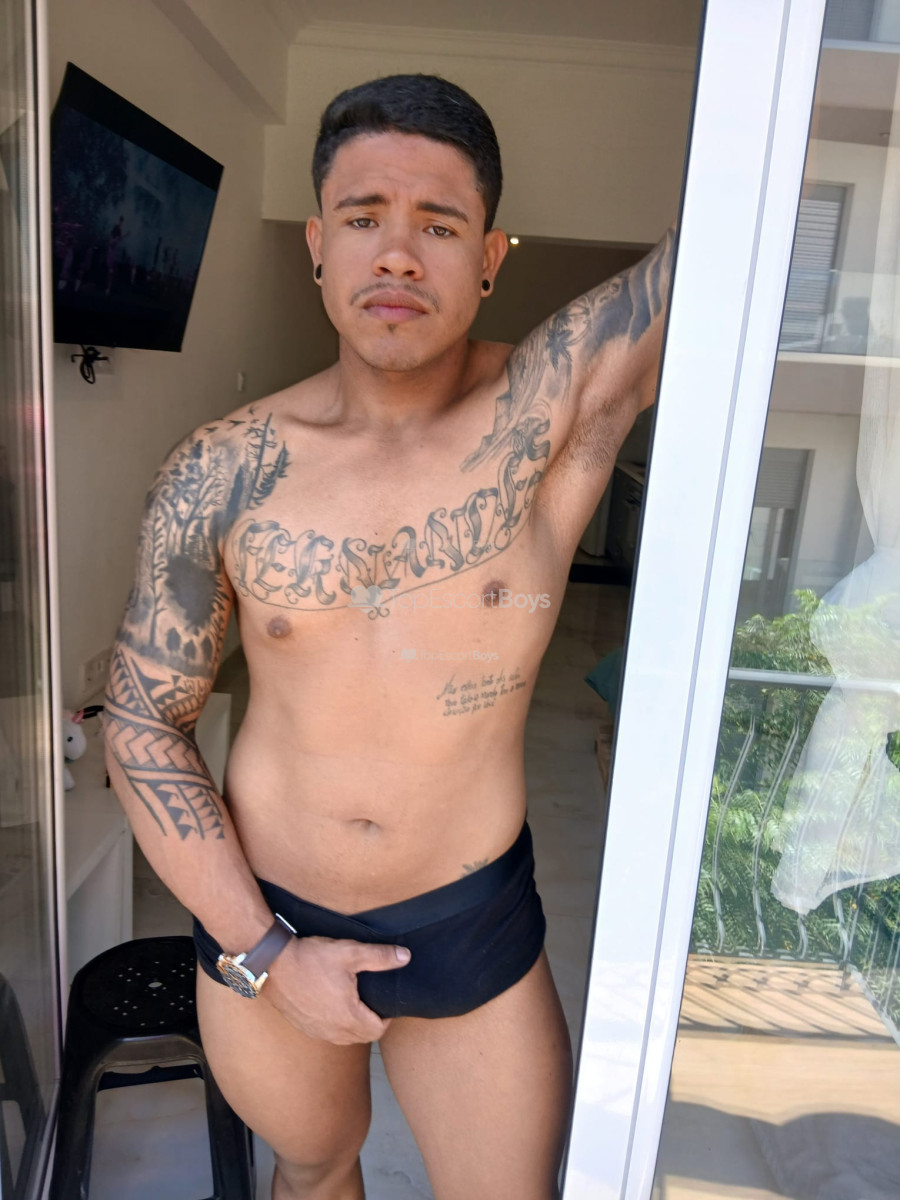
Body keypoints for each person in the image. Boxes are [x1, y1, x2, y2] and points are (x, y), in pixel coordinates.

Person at [105, 74, 674, 1200]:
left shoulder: (549, 416)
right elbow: (142, 723)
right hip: (265, 910)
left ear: (491, 256)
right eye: (364, 218)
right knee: (314, 1170)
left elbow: (739, 214)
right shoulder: (222, 470)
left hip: (468, 916)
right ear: (319, 245)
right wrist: (267, 954)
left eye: (440, 225)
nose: (399, 255)